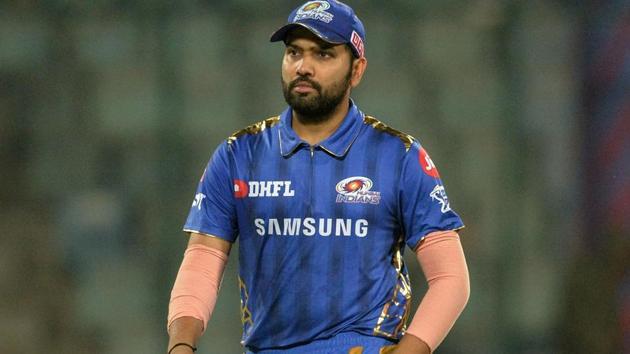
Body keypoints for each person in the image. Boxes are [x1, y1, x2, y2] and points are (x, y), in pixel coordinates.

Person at [167, 1, 470, 353]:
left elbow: (451, 279)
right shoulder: (238, 154)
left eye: (323, 54)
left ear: (357, 70)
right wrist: (181, 346)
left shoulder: (399, 156)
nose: (303, 67)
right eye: (294, 52)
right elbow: (203, 259)